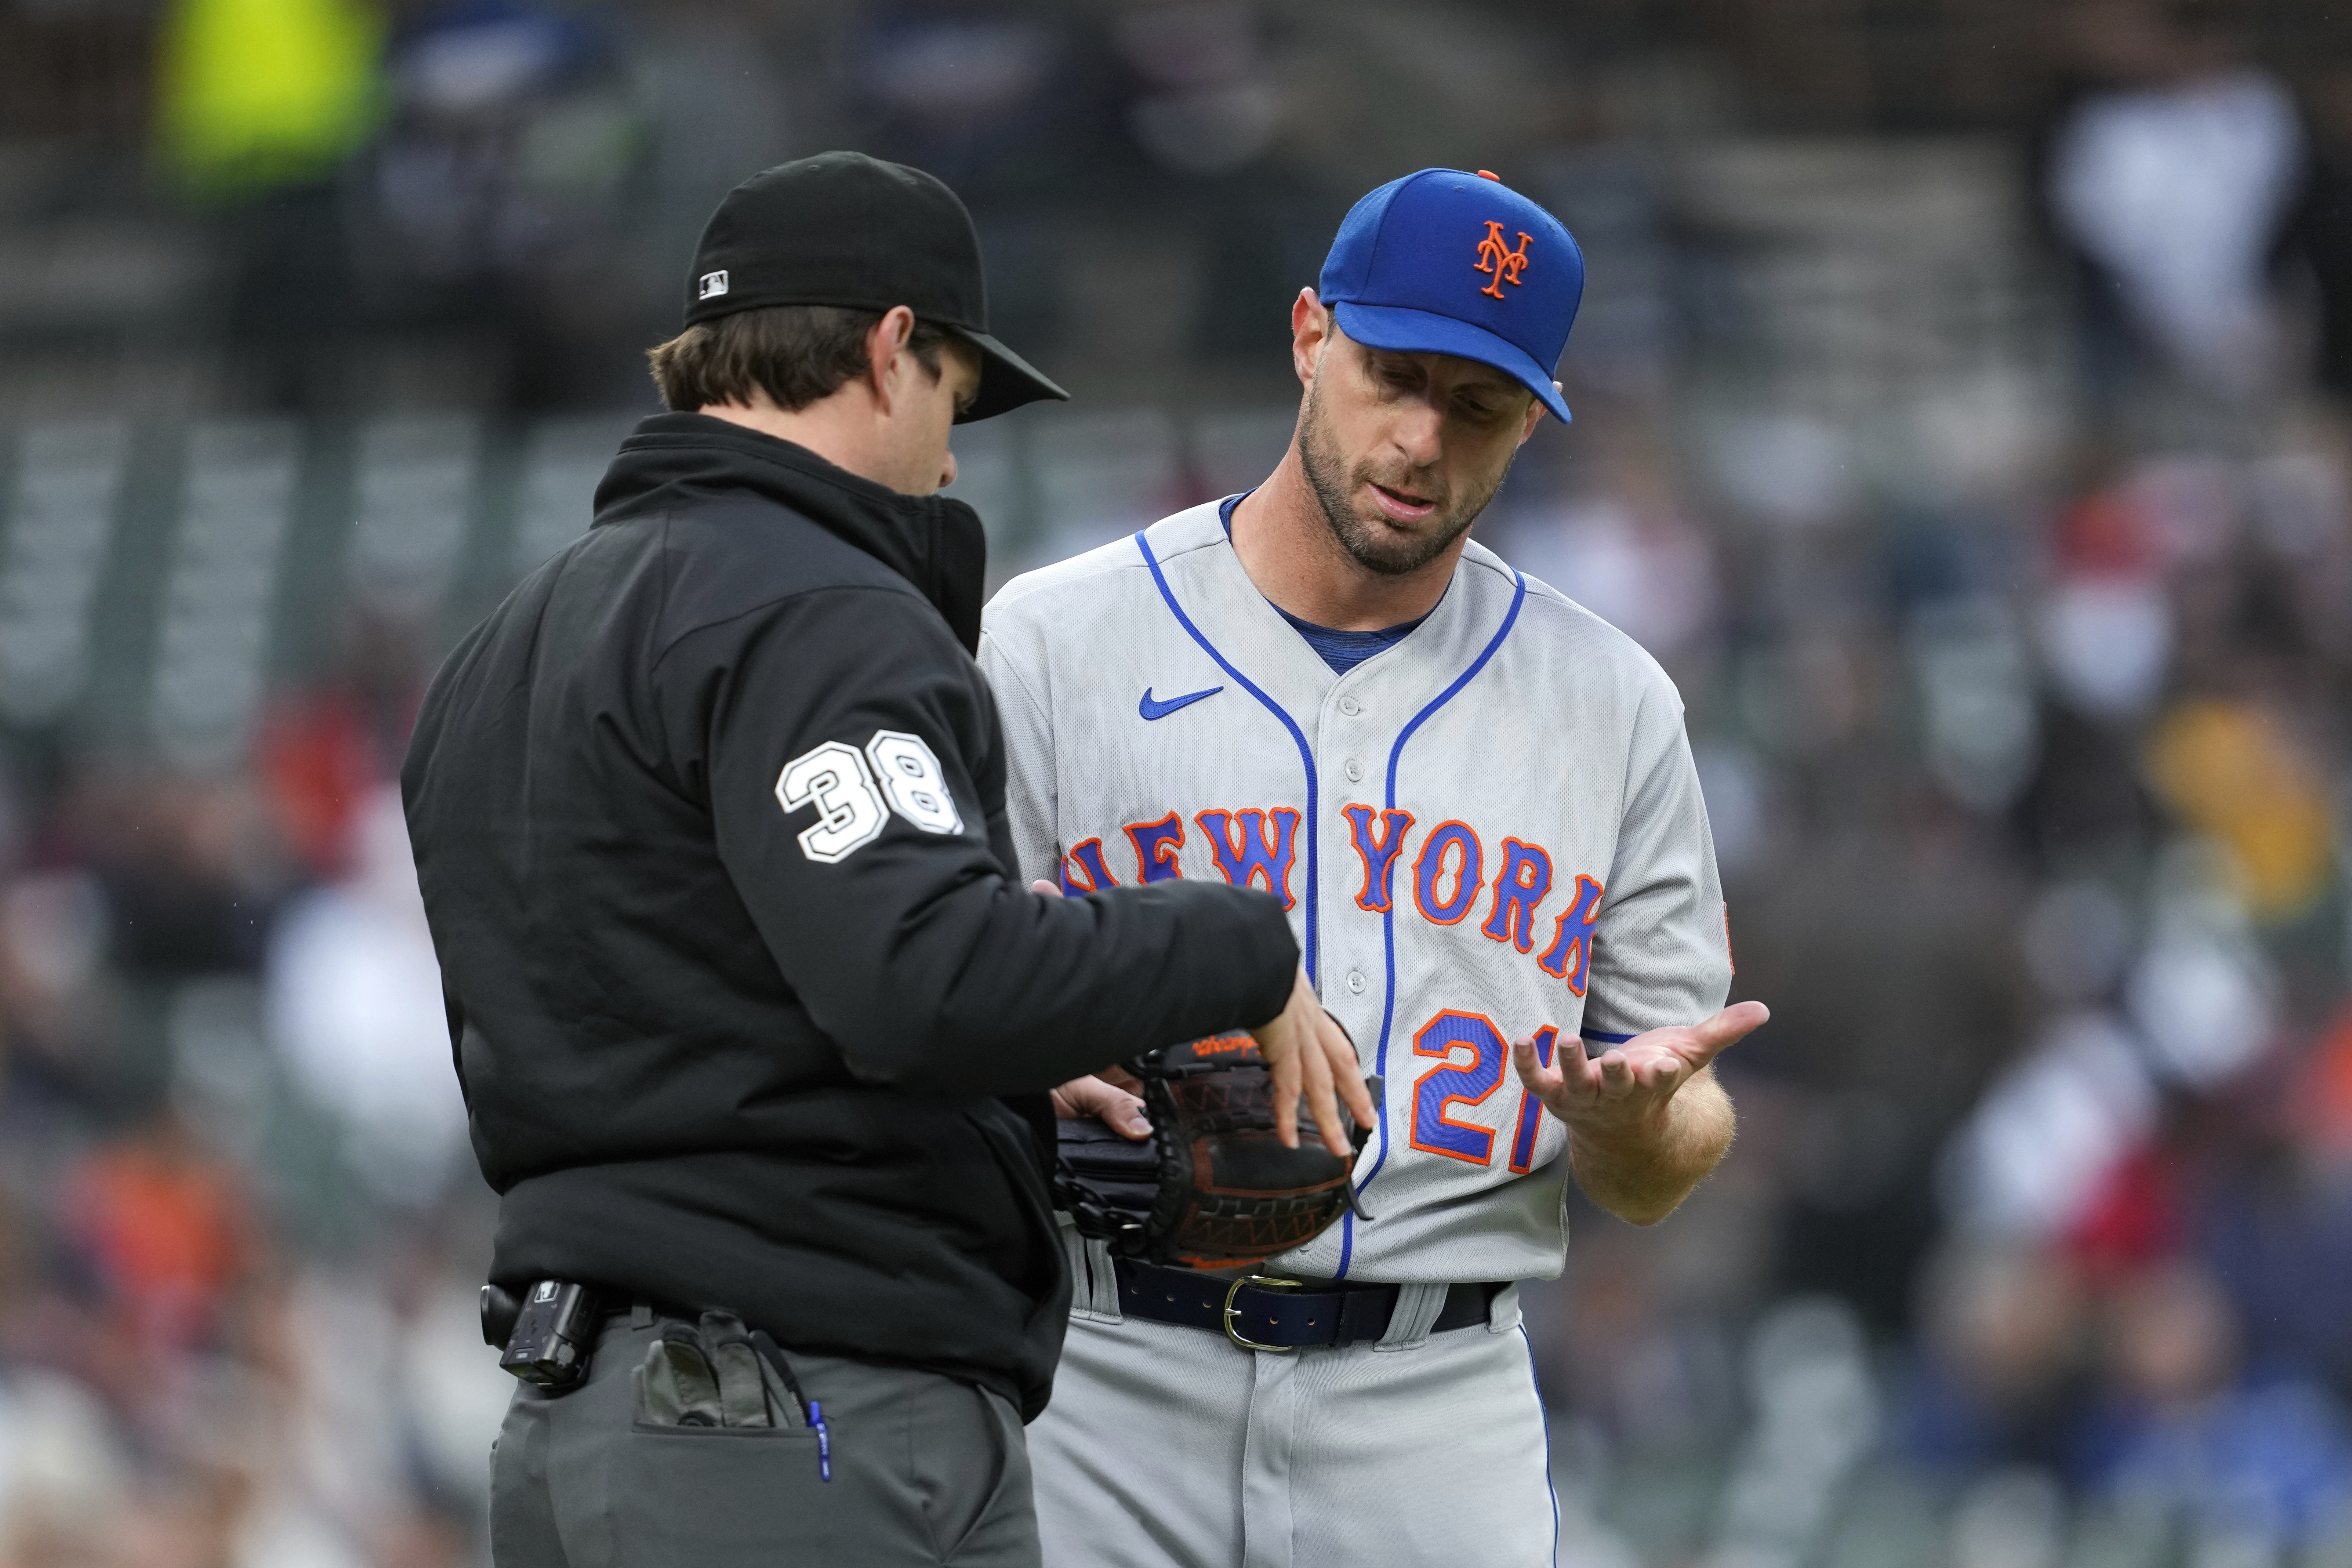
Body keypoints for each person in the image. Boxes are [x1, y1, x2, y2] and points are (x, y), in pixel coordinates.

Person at [402, 152, 1369, 1568]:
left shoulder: (511, 642)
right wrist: (1234, 945)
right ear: (891, 346)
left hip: (588, 1414)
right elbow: (920, 979)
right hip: (788, 1418)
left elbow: (689, 993)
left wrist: (1013, 1060)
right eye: (956, 402)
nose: (954, 456)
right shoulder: (815, 604)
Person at [979, 167, 1769, 1565]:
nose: (1419, 440)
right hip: (1101, 1367)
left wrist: (1641, 1127)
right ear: (1306, 333)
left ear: (1533, 415)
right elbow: (922, 990)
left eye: (1477, 407)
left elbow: (1667, 1154)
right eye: (1391, 375)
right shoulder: (1054, 642)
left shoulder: (1613, 701)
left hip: (1434, 1396)